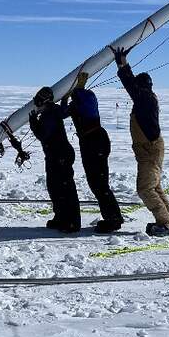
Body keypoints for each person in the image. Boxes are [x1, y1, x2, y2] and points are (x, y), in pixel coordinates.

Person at [110, 46, 169, 237]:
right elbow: (132, 86)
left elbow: (130, 85)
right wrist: (122, 64)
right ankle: (168, 222)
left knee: (145, 189)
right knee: (154, 188)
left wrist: (122, 64)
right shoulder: (146, 99)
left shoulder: (145, 98)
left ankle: (165, 224)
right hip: (150, 150)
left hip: (150, 151)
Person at [62, 72, 124, 234]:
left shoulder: (83, 101)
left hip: (93, 143)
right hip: (96, 141)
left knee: (98, 183)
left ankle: (113, 219)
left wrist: (68, 96)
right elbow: (69, 108)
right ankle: (113, 217)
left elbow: (65, 111)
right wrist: (71, 95)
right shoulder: (86, 100)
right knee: (98, 183)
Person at [29, 86, 81, 233]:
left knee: (65, 189)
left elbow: (43, 134)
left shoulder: (49, 114)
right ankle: (61, 217)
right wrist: (64, 100)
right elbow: (65, 112)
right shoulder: (53, 111)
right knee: (54, 188)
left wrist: (33, 124)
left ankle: (72, 222)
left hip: (60, 155)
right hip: (55, 155)